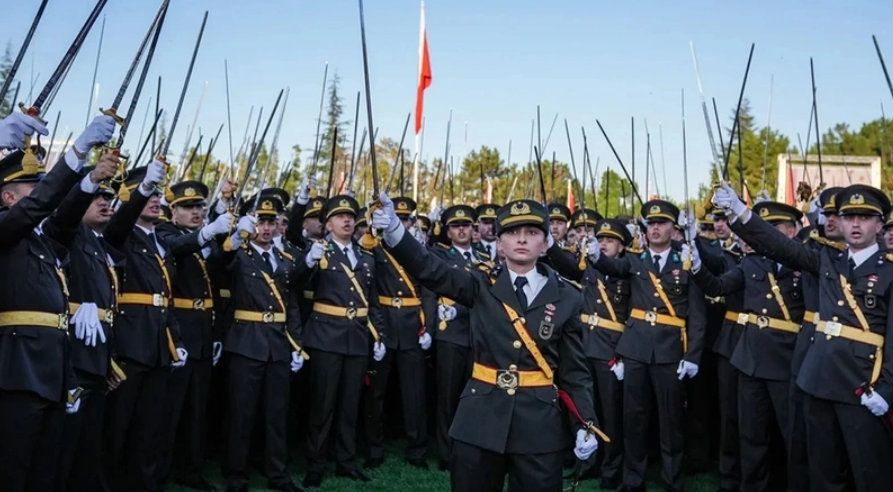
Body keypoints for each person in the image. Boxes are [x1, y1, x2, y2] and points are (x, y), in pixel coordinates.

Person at [373, 194, 602, 492]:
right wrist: (394, 230)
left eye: (532, 233)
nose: (521, 240)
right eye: (512, 232)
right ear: (499, 243)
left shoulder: (568, 297)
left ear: (545, 244)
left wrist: (587, 422)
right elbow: (430, 268)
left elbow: (574, 371)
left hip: (538, 423)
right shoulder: (479, 283)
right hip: (480, 417)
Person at [714, 182, 893, 492]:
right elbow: (778, 244)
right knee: (823, 473)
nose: (854, 224)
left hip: (862, 383)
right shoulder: (827, 259)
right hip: (818, 380)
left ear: (880, 224)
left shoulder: (888, 271)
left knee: (869, 474)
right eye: (849, 217)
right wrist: (740, 212)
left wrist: (887, 389)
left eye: (864, 218)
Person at [0, 113, 115, 492]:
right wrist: (76, 151)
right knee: (14, 470)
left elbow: (62, 217)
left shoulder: (39, 240)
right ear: (8, 197)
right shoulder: (7, 227)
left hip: (50, 369)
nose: (43, 191)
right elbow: (39, 207)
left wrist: (90, 179)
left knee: (44, 472)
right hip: (16, 370)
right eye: (35, 186)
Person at [587, 200, 707, 492]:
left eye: (662, 223)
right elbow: (612, 266)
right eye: (650, 224)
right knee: (634, 419)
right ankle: (633, 478)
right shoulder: (635, 260)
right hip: (636, 349)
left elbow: (698, 315)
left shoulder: (687, 260)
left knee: (671, 421)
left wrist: (692, 355)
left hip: (669, 351)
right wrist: (594, 256)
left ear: (672, 228)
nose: (655, 228)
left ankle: (672, 479)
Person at [689, 200, 807, 491]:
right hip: (750, 358)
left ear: (791, 232)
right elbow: (719, 287)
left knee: (793, 435)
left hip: (787, 359)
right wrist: (697, 269)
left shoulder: (805, 262)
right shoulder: (752, 262)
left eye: (772, 229)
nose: (762, 235)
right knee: (750, 434)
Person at [103, 160, 188, 492]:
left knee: (150, 427)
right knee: (118, 425)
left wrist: (175, 338)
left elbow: (165, 296)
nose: (155, 199)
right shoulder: (121, 233)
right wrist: (140, 192)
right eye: (148, 193)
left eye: (157, 194)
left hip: (157, 342)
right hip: (129, 340)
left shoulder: (160, 241)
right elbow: (120, 222)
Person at [41, 156, 122, 492]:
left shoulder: (99, 244)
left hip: (97, 351)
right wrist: (87, 179)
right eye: (96, 196)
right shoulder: (68, 231)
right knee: (64, 444)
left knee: (88, 441)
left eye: (109, 197)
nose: (105, 202)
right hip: (72, 351)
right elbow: (63, 220)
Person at [220, 189, 307, 492]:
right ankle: (236, 475)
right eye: (260, 221)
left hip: (278, 344)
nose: (267, 228)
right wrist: (230, 241)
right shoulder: (238, 254)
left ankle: (278, 475)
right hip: (246, 342)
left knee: (277, 414)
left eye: (272, 221)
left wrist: (296, 343)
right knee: (242, 414)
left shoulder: (284, 260)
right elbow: (219, 268)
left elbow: (291, 304)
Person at [298, 195, 386, 488]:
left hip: (357, 337)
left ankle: (346, 462)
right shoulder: (319, 252)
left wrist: (378, 334)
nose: (347, 221)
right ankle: (316, 464)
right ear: (328, 224)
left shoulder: (365, 256)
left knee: (350, 405)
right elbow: (297, 284)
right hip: (326, 336)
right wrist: (308, 262)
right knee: (323, 406)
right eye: (340, 216)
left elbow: (372, 301)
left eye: (350, 216)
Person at [155, 180, 232, 490]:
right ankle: (160, 471)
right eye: (188, 207)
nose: (196, 211)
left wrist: (232, 239)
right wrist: (209, 232)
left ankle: (191, 469)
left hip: (201, 331)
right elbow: (179, 247)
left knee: (196, 410)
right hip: (179, 332)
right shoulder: (166, 233)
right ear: (173, 212)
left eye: (199, 206)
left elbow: (215, 266)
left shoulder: (202, 240)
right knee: (169, 410)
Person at [546, 218, 632, 490]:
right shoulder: (589, 266)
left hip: (611, 350)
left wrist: (624, 353)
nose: (603, 244)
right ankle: (588, 462)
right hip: (585, 345)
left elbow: (634, 315)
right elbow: (567, 267)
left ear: (621, 247)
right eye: (601, 239)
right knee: (585, 411)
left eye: (610, 240)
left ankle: (612, 468)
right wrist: (550, 243)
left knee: (611, 414)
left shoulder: (628, 271)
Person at [364, 196, 435, 470]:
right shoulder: (374, 247)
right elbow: (368, 290)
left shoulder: (415, 250)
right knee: (376, 393)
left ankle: (417, 450)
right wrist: (375, 329)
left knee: (414, 393)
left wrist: (428, 327)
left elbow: (428, 290)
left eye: (406, 220)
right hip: (383, 323)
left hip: (411, 326)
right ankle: (374, 447)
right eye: (399, 218)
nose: (402, 223)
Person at [428, 205, 486, 470]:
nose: (462, 230)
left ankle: (470, 449)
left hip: (477, 334)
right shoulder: (440, 254)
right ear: (448, 231)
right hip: (450, 334)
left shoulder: (484, 255)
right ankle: (446, 452)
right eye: (456, 226)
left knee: (474, 398)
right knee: (448, 397)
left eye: (466, 225)